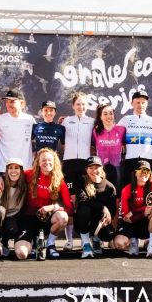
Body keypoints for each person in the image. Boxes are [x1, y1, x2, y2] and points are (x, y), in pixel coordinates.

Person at [14, 148, 73, 259]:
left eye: (50, 160)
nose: (47, 163)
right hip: (27, 220)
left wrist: (54, 207)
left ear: (54, 162)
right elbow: (11, 175)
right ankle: (32, 242)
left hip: (45, 220)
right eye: (44, 160)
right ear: (38, 162)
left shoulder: (59, 181)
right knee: (22, 254)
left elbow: (70, 209)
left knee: (63, 217)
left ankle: (49, 244)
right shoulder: (29, 174)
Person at [60, 92, 94, 250]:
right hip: (69, 164)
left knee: (84, 202)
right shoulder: (66, 122)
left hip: (85, 165)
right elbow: (62, 142)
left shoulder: (92, 122)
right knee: (70, 202)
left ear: (87, 106)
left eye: (83, 104)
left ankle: (85, 238)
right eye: (78, 104)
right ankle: (69, 240)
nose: (81, 107)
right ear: (73, 106)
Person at [114, 160, 152, 258]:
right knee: (119, 244)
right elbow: (126, 217)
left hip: (146, 223)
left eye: (146, 171)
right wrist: (142, 213)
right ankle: (133, 240)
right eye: (140, 171)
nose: (143, 174)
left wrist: (134, 212)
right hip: (132, 223)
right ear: (135, 173)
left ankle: (151, 245)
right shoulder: (127, 189)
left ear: (150, 174)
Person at [118, 90, 152, 189]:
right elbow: (115, 139)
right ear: (132, 104)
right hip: (130, 162)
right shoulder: (125, 120)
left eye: (143, 102)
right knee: (129, 191)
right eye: (137, 102)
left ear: (147, 104)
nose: (140, 105)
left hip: (148, 161)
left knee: (148, 192)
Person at [74, 156, 118, 258]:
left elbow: (112, 210)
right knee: (85, 210)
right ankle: (86, 244)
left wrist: (105, 220)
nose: (94, 171)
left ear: (102, 168)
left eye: (96, 167)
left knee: (109, 234)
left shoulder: (110, 187)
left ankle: (96, 240)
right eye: (91, 168)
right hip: (83, 222)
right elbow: (83, 201)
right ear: (86, 170)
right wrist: (102, 207)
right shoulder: (82, 181)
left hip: (99, 223)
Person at [0, 89, 35, 185]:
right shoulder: (0, 119)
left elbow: (36, 140)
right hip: (3, 168)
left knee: (24, 195)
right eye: (7, 102)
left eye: (12, 102)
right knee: (4, 195)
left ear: (22, 103)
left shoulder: (29, 120)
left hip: (25, 168)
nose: (8, 105)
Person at [91, 103, 125, 188]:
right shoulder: (95, 131)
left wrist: (123, 156)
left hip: (117, 166)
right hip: (101, 167)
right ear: (100, 116)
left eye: (111, 113)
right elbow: (91, 147)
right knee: (101, 192)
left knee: (117, 191)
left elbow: (125, 145)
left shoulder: (121, 130)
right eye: (105, 114)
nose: (108, 116)